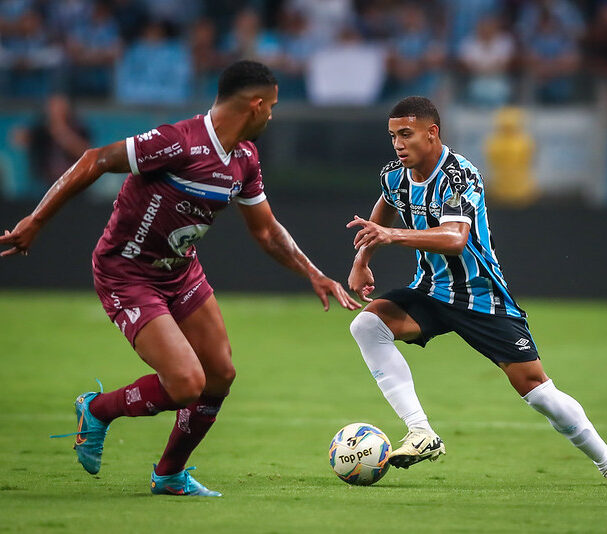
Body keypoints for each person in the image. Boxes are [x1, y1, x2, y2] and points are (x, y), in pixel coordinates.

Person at [0, 60, 360, 497]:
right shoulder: (177, 142)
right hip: (127, 273)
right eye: (273, 107)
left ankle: (169, 474)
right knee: (188, 383)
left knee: (220, 375)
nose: (273, 116)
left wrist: (313, 272)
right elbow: (95, 159)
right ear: (256, 104)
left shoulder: (244, 158)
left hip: (180, 271)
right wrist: (37, 220)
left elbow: (265, 229)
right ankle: (96, 410)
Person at [346, 96, 607, 488]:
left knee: (538, 392)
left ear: (432, 133)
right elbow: (386, 204)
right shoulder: (395, 174)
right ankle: (420, 432)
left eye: (406, 134)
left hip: (482, 298)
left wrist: (392, 236)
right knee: (367, 327)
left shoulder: (459, 174)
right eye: (393, 136)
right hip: (431, 292)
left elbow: (454, 238)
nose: (398, 143)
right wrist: (362, 259)